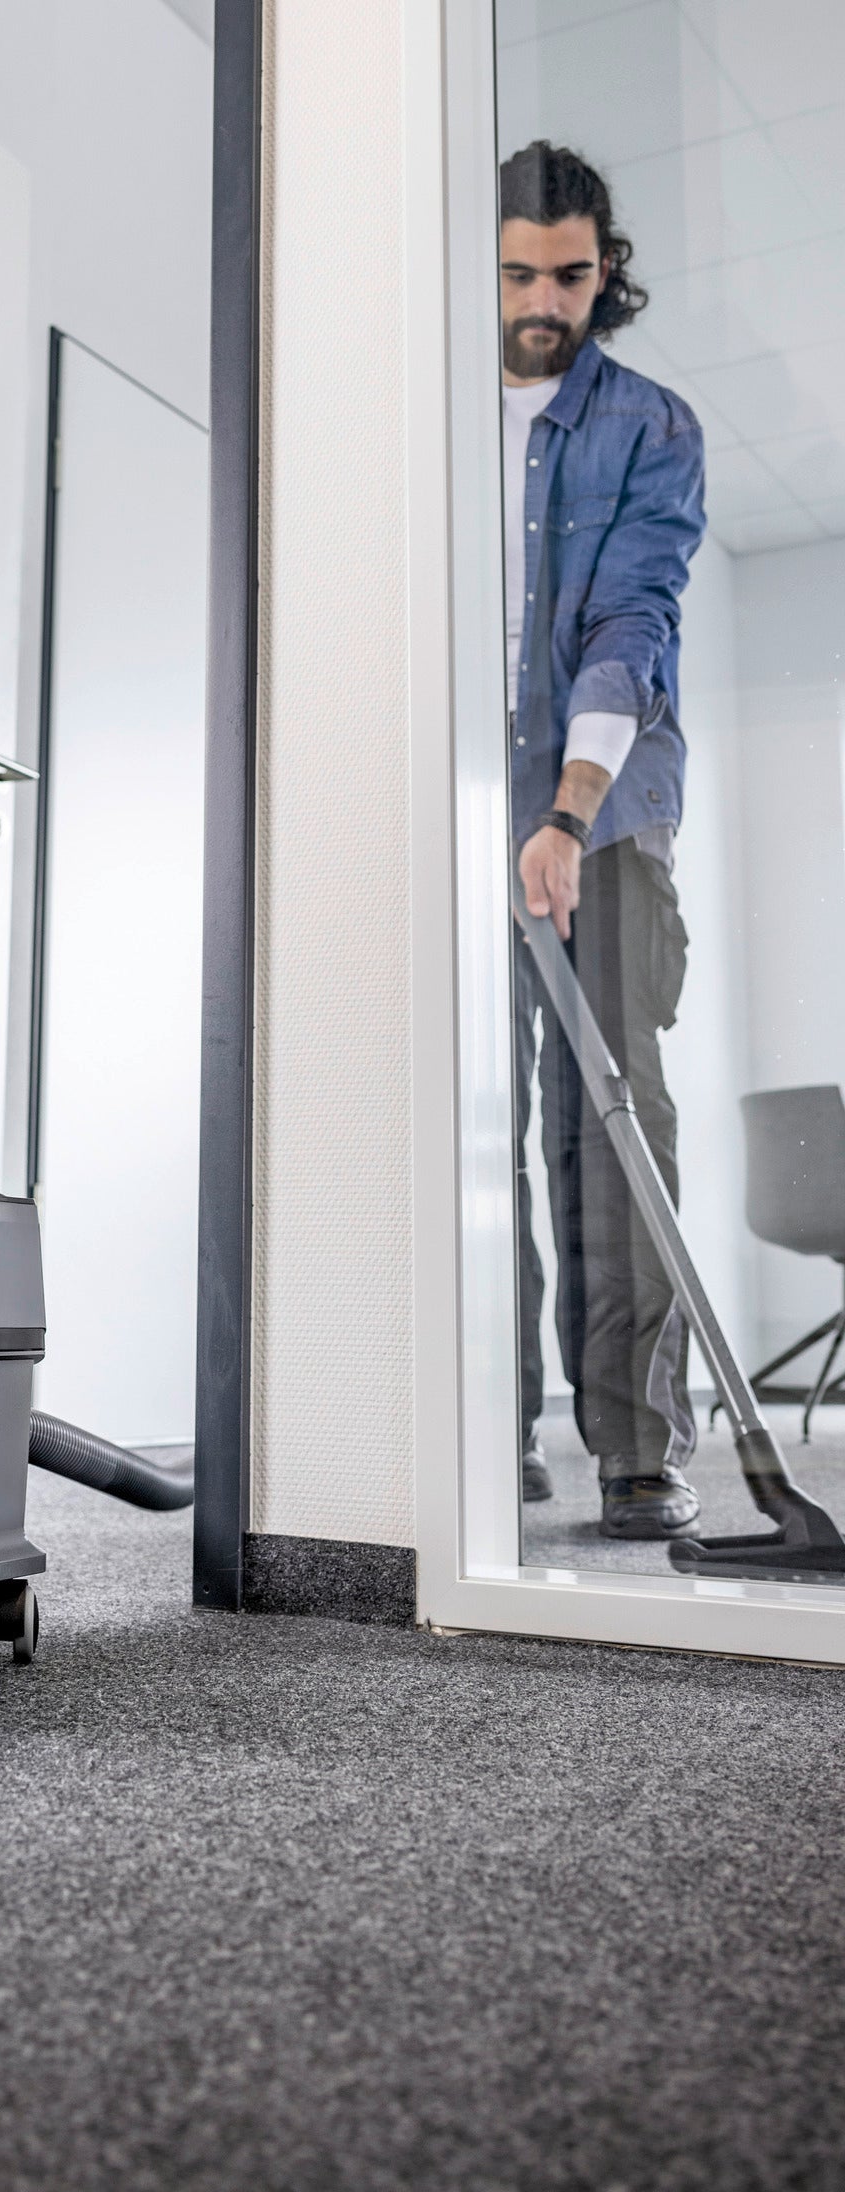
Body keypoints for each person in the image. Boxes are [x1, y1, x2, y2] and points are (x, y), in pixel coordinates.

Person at [501, 140, 706, 1540]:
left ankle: (637, 1446)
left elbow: (634, 623)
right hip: (475, 807)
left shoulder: (648, 426)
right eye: (519, 275)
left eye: (569, 277)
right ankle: (488, 1415)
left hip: (609, 814)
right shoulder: (437, 422)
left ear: (604, 269)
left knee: (614, 1114)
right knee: (481, 1121)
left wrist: (568, 810)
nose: (544, 304)